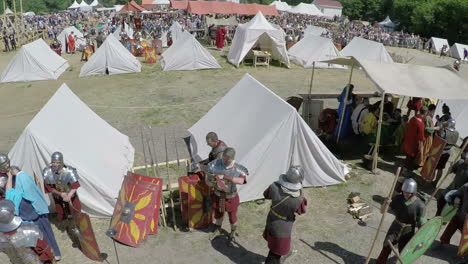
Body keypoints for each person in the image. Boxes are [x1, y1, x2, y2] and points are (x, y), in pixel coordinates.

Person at [5, 166, 62, 261]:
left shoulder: (26, 188)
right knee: (38, 240)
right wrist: (10, 176)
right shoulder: (15, 195)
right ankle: (48, 255)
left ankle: (55, 253)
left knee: (47, 235)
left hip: (38, 215)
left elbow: (24, 180)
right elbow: (8, 193)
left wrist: (16, 174)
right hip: (28, 221)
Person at [263, 166, 307, 264]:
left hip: (271, 218)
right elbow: (301, 211)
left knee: (273, 246)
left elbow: (266, 195)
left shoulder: (274, 186)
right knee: (275, 252)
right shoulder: (299, 199)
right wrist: (301, 193)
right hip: (283, 227)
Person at [376, 179, 425, 264]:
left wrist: (421, 240)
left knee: (404, 253)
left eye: (408, 192)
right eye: (404, 191)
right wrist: (385, 203)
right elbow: (382, 211)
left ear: (413, 192)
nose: (405, 194)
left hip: (408, 231)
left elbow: (422, 225)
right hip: (395, 227)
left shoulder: (420, 205)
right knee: (386, 247)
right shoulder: (398, 199)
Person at [206, 148, 247, 243]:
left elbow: (242, 181)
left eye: (228, 158)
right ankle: (218, 229)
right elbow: (208, 176)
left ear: (232, 159)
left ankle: (232, 233)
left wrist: (225, 176)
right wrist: (212, 180)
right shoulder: (216, 163)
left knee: (232, 218)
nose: (225, 160)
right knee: (218, 214)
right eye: (224, 157)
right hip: (218, 195)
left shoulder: (237, 168)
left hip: (230, 197)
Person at [42, 152, 81, 222]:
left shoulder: (69, 171)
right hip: (57, 194)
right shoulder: (48, 171)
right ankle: (64, 222)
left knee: (76, 207)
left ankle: (77, 220)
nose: (55, 164)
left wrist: (69, 195)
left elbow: (75, 185)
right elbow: (48, 187)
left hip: (70, 193)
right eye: (53, 162)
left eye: (57, 162)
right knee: (60, 209)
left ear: (61, 162)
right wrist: (60, 194)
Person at [439, 183, 468, 248]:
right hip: (460, 214)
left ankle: (464, 253)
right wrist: (455, 200)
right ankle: (442, 243)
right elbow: (455, 195)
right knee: (449, 229)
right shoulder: (466, 187)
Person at [432, 118, 459, 185]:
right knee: (440, 168)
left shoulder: (444, 131)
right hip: (448, 152)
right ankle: (436, 182)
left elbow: (439, 139)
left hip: (440, 151)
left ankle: (431, 180)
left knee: (434, 167)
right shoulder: (456, 133)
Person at [402, 107, 426, 172]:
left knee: (408, 156)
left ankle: (405, 169)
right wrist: (421, 147)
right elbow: (421, 137)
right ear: (425, 113)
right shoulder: (421, 124)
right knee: (410, 159)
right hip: (413, 143)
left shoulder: (413, 118)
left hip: (408, 139)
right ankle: (404, 171)